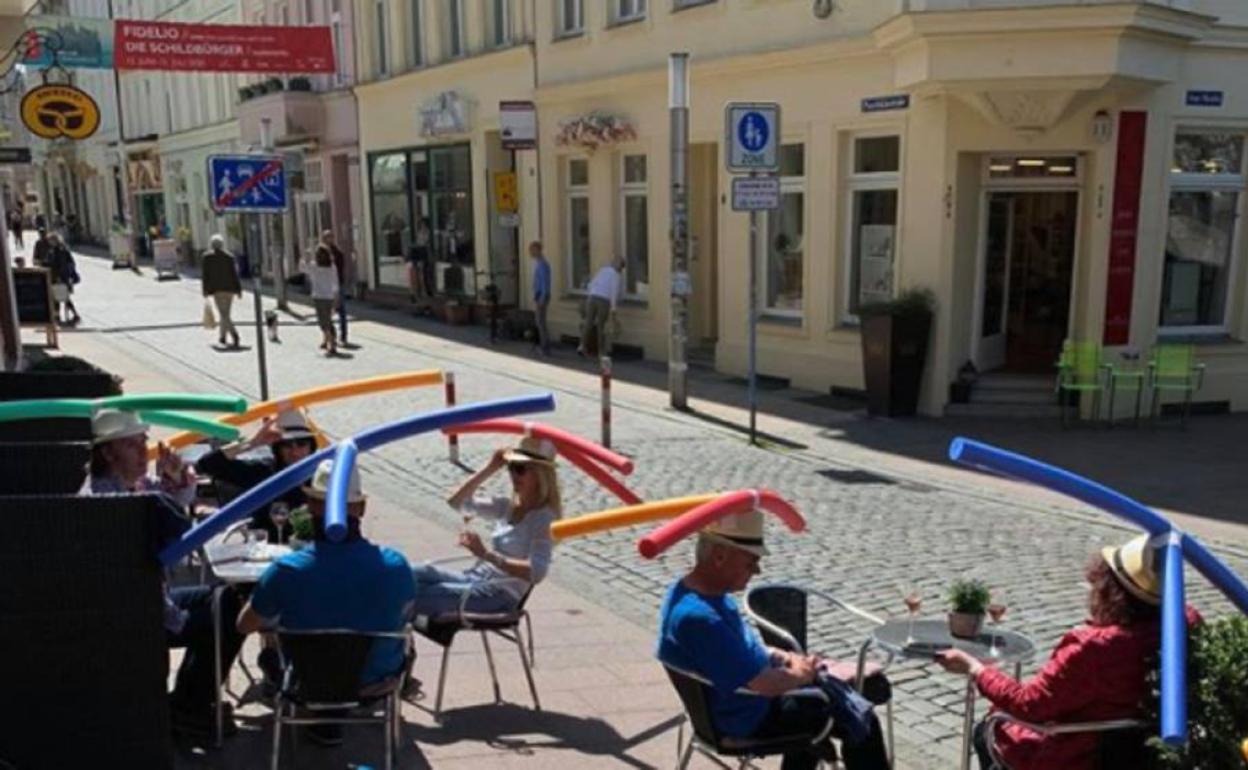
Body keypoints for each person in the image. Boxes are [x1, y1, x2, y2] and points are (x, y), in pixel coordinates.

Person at [936, 535, 1203, 770]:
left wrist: (976, 668)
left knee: (985, 731)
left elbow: (1030, 704)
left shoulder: (1096, 648)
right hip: (1136, 751)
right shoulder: (1184, 623)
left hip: (1076, 755)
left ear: (1109, 589)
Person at [657, 511, 891, 770]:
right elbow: (765, 684)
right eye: (751, 561)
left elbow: (738, 650)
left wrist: (783, 656)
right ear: (720, 556)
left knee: (846, 697)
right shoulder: (701, 619)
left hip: (730, 706)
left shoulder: (688, 593)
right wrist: (802, 674)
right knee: (861, 718)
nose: (757, 570)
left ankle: (813, 739)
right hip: (746, 718)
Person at [81, 410, 245, 739]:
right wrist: (177, 619)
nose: (144, 453)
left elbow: (174, 500)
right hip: (134, 615)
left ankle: (190, 701)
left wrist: (173, 477)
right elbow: (132, 580)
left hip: (151, 601)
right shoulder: (105, 503)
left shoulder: (130, 486)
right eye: (132, 446)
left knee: (229, 600)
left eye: (143, 442)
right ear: (107, 452)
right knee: (228, 617)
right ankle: (190, 706)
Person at [237, 459, 415, 747]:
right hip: (375, 681)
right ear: (362, 508)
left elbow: (244, 625)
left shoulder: (288, 570)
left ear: (310, 506)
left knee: (271, 646)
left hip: (308, 681)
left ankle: (320, 722)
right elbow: (406, 613)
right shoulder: (396, 566)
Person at [410, 437, 561, 617]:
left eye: (520, 469)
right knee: (409, 573)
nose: (514, 475)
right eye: (511, 467)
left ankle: (386, 640)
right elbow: (457, 502)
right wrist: (491, 467)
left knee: (411, 595)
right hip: (476, 578)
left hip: (499, 594)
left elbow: (537, 572)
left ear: (540, 474)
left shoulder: (544, 518)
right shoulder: (507, 506)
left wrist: (486, 555)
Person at [194, 409, 316, 543]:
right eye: (287, 445)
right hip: (268, 549)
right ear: (278, 448)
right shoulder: (265, 471)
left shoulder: (323, 473)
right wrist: (252, 443)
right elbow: (206, 464)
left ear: (311, 447)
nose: (295, 451)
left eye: (301, 444)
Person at [200, 234, 242, 348]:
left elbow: (205, 275)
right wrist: (238, 289)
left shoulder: (207, 257)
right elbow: (235, 274)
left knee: (223, 314)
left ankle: (235, 335)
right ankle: (222, 337)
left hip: (217, 289)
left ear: (211, 245)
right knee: (226, 313)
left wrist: (205, 290)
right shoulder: (229, 257)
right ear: (222, 244)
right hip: (230, 289)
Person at [578, 257, 624, 357]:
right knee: (601, 326)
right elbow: (614, 293)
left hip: (592, 297)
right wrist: (613, 309)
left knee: (588, 323)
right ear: (620, 267)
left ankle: (582, 346)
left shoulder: (603, 270)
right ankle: (601, 351)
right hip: (603, 300)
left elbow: (592, 283)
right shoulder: (616, 275)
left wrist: (588, 296)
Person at [303, 241, 340, 356]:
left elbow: (302, 267)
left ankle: (331, 345)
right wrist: (336, 298)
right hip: (329, 297)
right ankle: (326, 341)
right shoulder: (332, 267)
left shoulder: (314, 267)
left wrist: (305, 256)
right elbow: (335, 284)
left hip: (319, 297)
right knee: (328, 320)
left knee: (323, 323)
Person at [317, 229, 349, 345]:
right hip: (325, 286)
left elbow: (338, 270)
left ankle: (342, 336)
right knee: (326, 312)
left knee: (340, 310)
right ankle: (329, 337)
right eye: (326, 238)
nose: (327, 240)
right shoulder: (320, 252)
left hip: (336, 285)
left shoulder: (337, 253)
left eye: (329, 238)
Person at [46, 232, 80, 325]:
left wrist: (58, 276)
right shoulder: (60, 249)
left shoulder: (59, 251)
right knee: (62, 297)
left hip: (60, 277)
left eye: (51, 240)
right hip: (63, 277)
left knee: (59, 297)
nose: (50, 242)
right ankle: (66, 316)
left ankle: (60, 317)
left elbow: (59, 265)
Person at [529, 241, 551, 357]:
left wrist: (542, 297)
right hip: (539, 295)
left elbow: (545, 282)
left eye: (532, 250)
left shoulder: (542, 264)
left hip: (542, 295)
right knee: (539, 322)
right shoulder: (539, 263)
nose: (530, 253)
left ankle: (545, 347)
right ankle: (542, 345)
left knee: (540, 322)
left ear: (538, 250)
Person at [409, 218, 430, 302]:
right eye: (421, 224)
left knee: (422, 273)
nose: (422, 225)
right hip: (418, 252)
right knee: (416, 273)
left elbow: (426, 242)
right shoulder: (420, 232)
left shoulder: (428, 232)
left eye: (423, 224)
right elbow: (418, 241)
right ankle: (416, 292)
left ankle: (424, 291)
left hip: (424, 252)